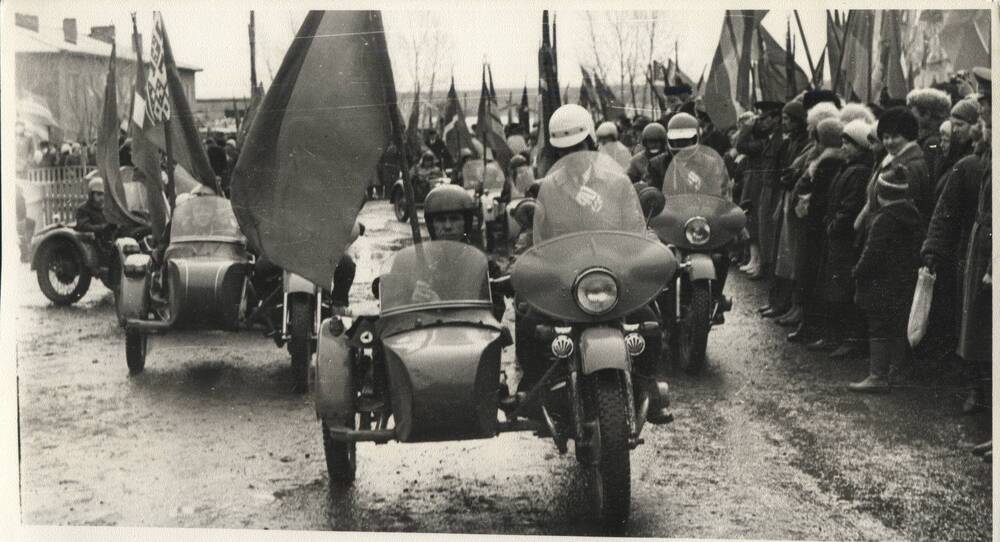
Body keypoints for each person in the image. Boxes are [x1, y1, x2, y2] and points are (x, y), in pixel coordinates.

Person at [921, 67, 992, 413]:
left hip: (979, 251)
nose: (956, 131)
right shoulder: (965, 164)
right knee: (968, 323)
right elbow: (944, 212)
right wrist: (933, 248)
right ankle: (974, 388)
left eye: (963, 124)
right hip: (965, 253)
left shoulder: (979, 162)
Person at [848, 166, 923, 393]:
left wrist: (857, 271)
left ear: (880, 195)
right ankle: (897, 372)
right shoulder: (913, 214)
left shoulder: (883, 219)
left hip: (879, 284)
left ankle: (877, 376)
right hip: (903, 282)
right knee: (898, 326)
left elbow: (872, 253)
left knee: (878, 327)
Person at [815, 119, 875, 358]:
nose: (843, 147)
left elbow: (849, 207)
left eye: (848, 143)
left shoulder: (858, 172)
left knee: (844, 289)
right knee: (834, 288)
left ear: (860, 146)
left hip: (846, 240)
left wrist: (834, 226)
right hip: (837, 238)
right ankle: (835, 336)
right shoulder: (848, 167)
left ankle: (849, 339)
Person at [790, 117, 846, 346]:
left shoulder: (827, 162)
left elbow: (812, 193)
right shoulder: (830, 160)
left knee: (811, 277)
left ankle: (810, 327)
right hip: (819, 226)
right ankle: (808, 324)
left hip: (816, 227)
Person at [736, 100, 783, 278]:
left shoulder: (766, 141)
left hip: (763, 186)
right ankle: (758, 262)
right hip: (756, 184)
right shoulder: (765, 140)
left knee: (760, 225)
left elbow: (740, 145)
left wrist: (747, 128)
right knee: (755, 224)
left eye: (764, 118)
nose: (761, 122)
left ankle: (762, 263)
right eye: (759, 119)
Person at [906, 88, 951, 178]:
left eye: (913, 114)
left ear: (927, 114)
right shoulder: (940, 137)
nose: (909, 118)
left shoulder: (932, 143)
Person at [75, 177, 115, 242]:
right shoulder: (83, 209)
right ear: (91, 194)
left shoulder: (106, 209)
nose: (102, 197)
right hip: (92, 242)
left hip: (107, 240)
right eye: (98, 194)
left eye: (103, 194)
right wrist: (104, 227)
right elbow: (84, 227)